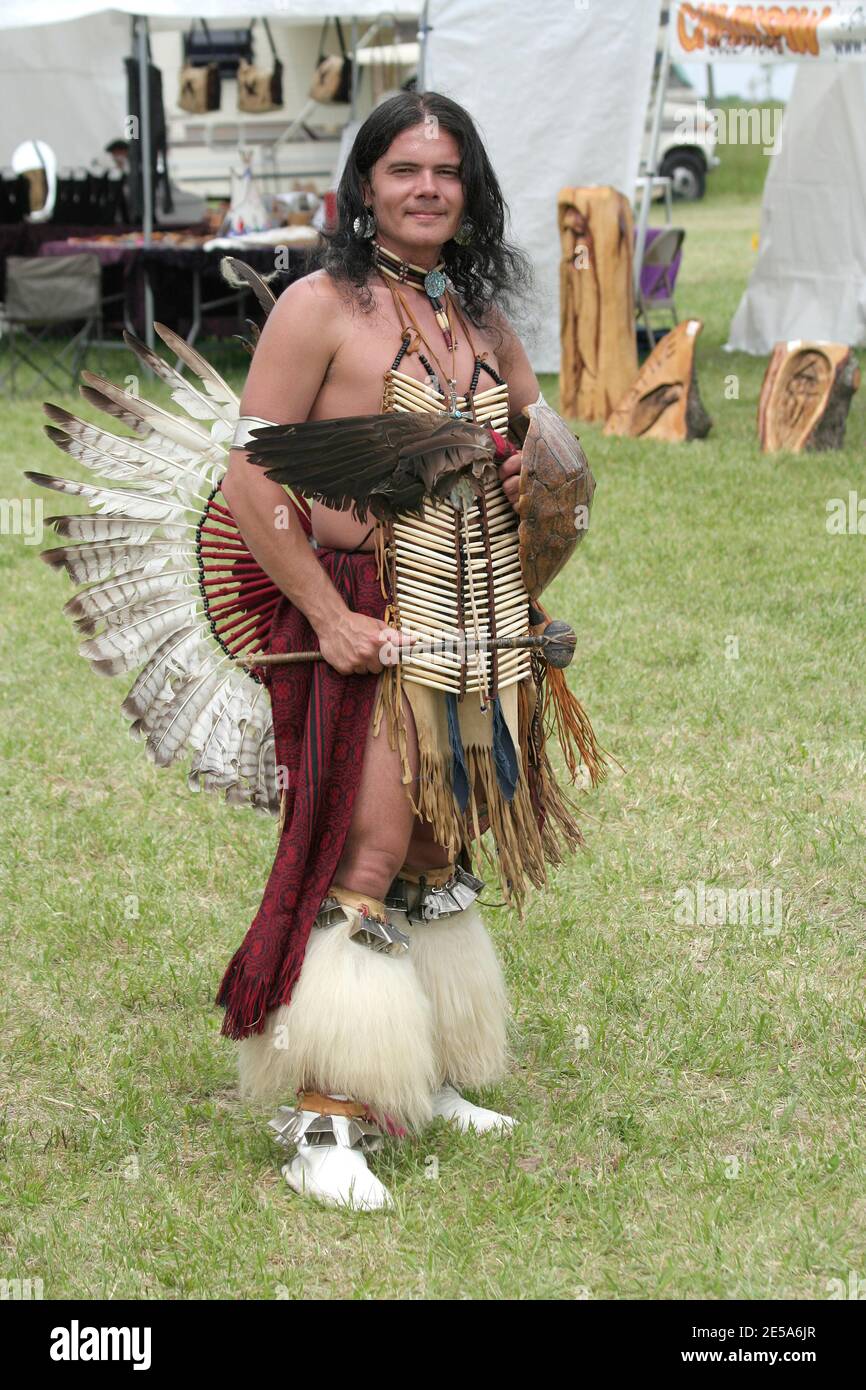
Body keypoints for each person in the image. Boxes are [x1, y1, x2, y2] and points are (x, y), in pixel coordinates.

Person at [216, 90, 602, 1212]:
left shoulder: (480, 319)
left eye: (445, 171)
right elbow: (249, 475)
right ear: (365, 185)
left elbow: (539, 437)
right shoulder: (319, 307)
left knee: (438, 845)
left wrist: (537, 476)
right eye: (403, 169)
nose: (426, 188)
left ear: (469, 189)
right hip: (363, 614)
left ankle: (411, 1082)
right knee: (369, 849)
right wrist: (328, 620)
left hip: (472, 618)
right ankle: (323, 1119)